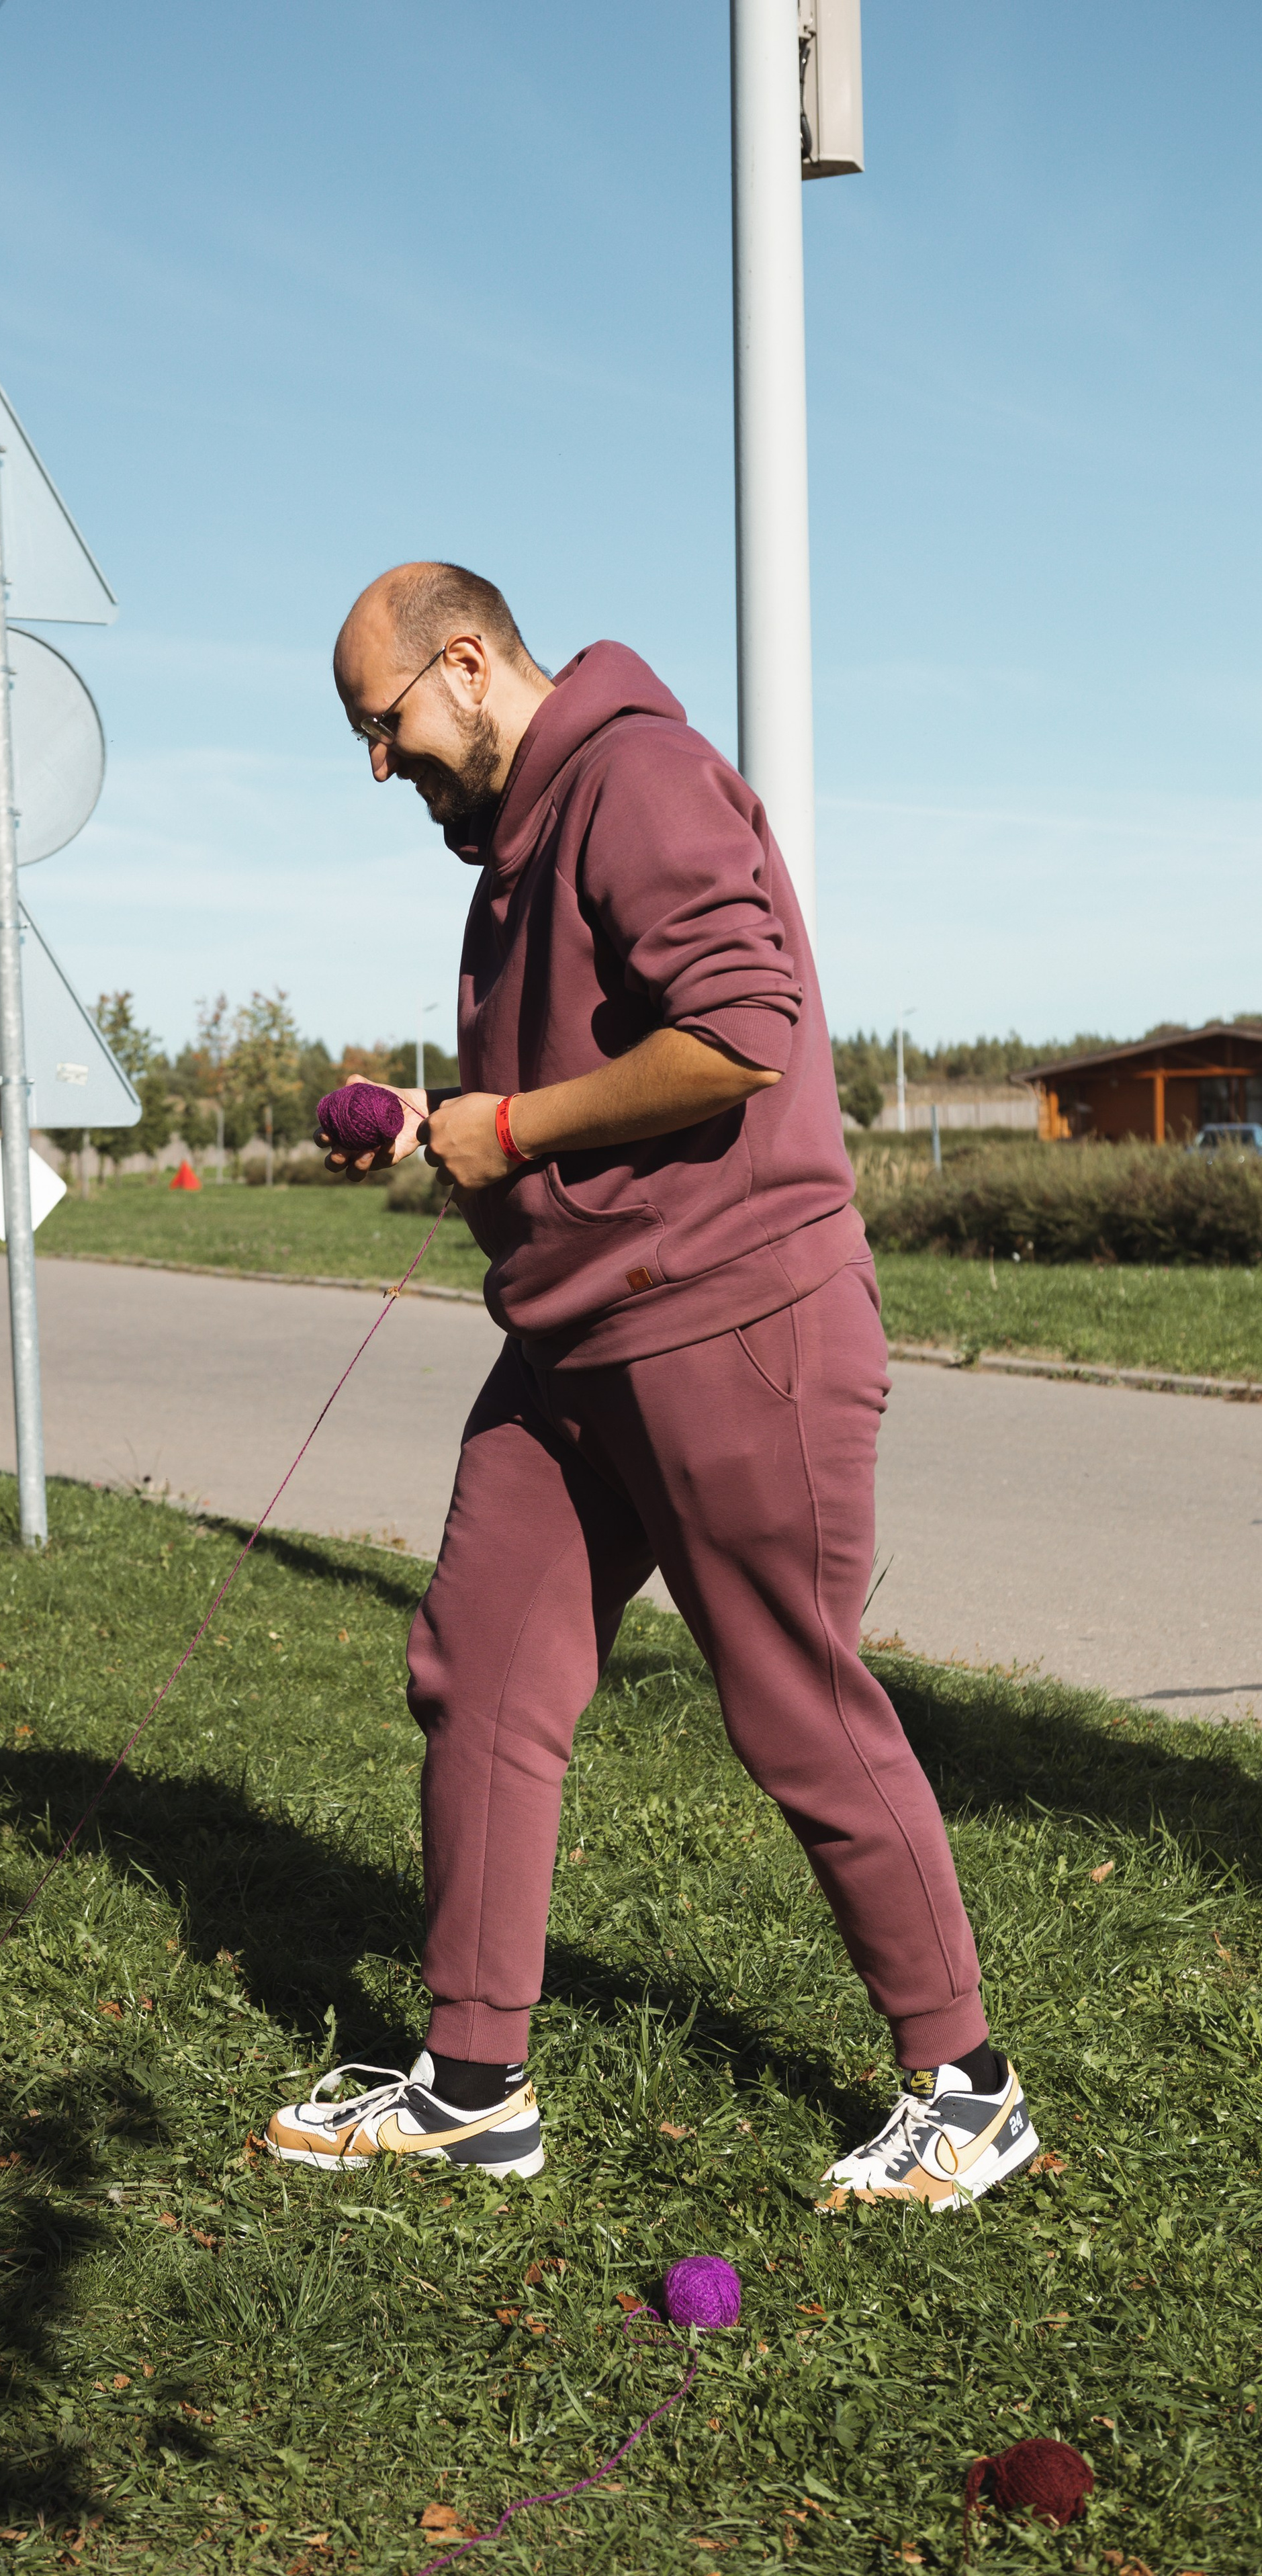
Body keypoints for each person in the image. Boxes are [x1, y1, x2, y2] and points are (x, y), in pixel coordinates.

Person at [263, 563, 1038, 2210]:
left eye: (381, 724)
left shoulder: (636, 776)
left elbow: (741, 1030)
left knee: (791, 1696)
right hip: (575, 1337)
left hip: (727, 1317)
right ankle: (472, 2086)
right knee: (476, 1662)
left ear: (464, 664)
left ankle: (966, 2089)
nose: (379, 766)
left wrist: (515, 1125)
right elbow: (571, 1079)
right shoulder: (521, 839)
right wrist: (440, 1125)